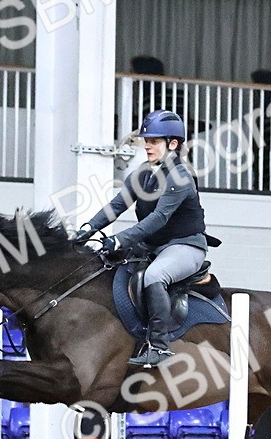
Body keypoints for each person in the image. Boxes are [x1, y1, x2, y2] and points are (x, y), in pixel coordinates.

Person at [74, 109, 208, 368]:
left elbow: (159, 218)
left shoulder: (180, 176)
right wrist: (88, 228)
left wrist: (120, 239)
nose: (147, 146)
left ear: (173, 144)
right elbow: (116, 206)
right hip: (152, 245)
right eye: (146, 141)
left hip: (184, 245)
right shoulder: (143, 173)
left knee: (154, 276)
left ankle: (158, 346)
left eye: (154, 141)